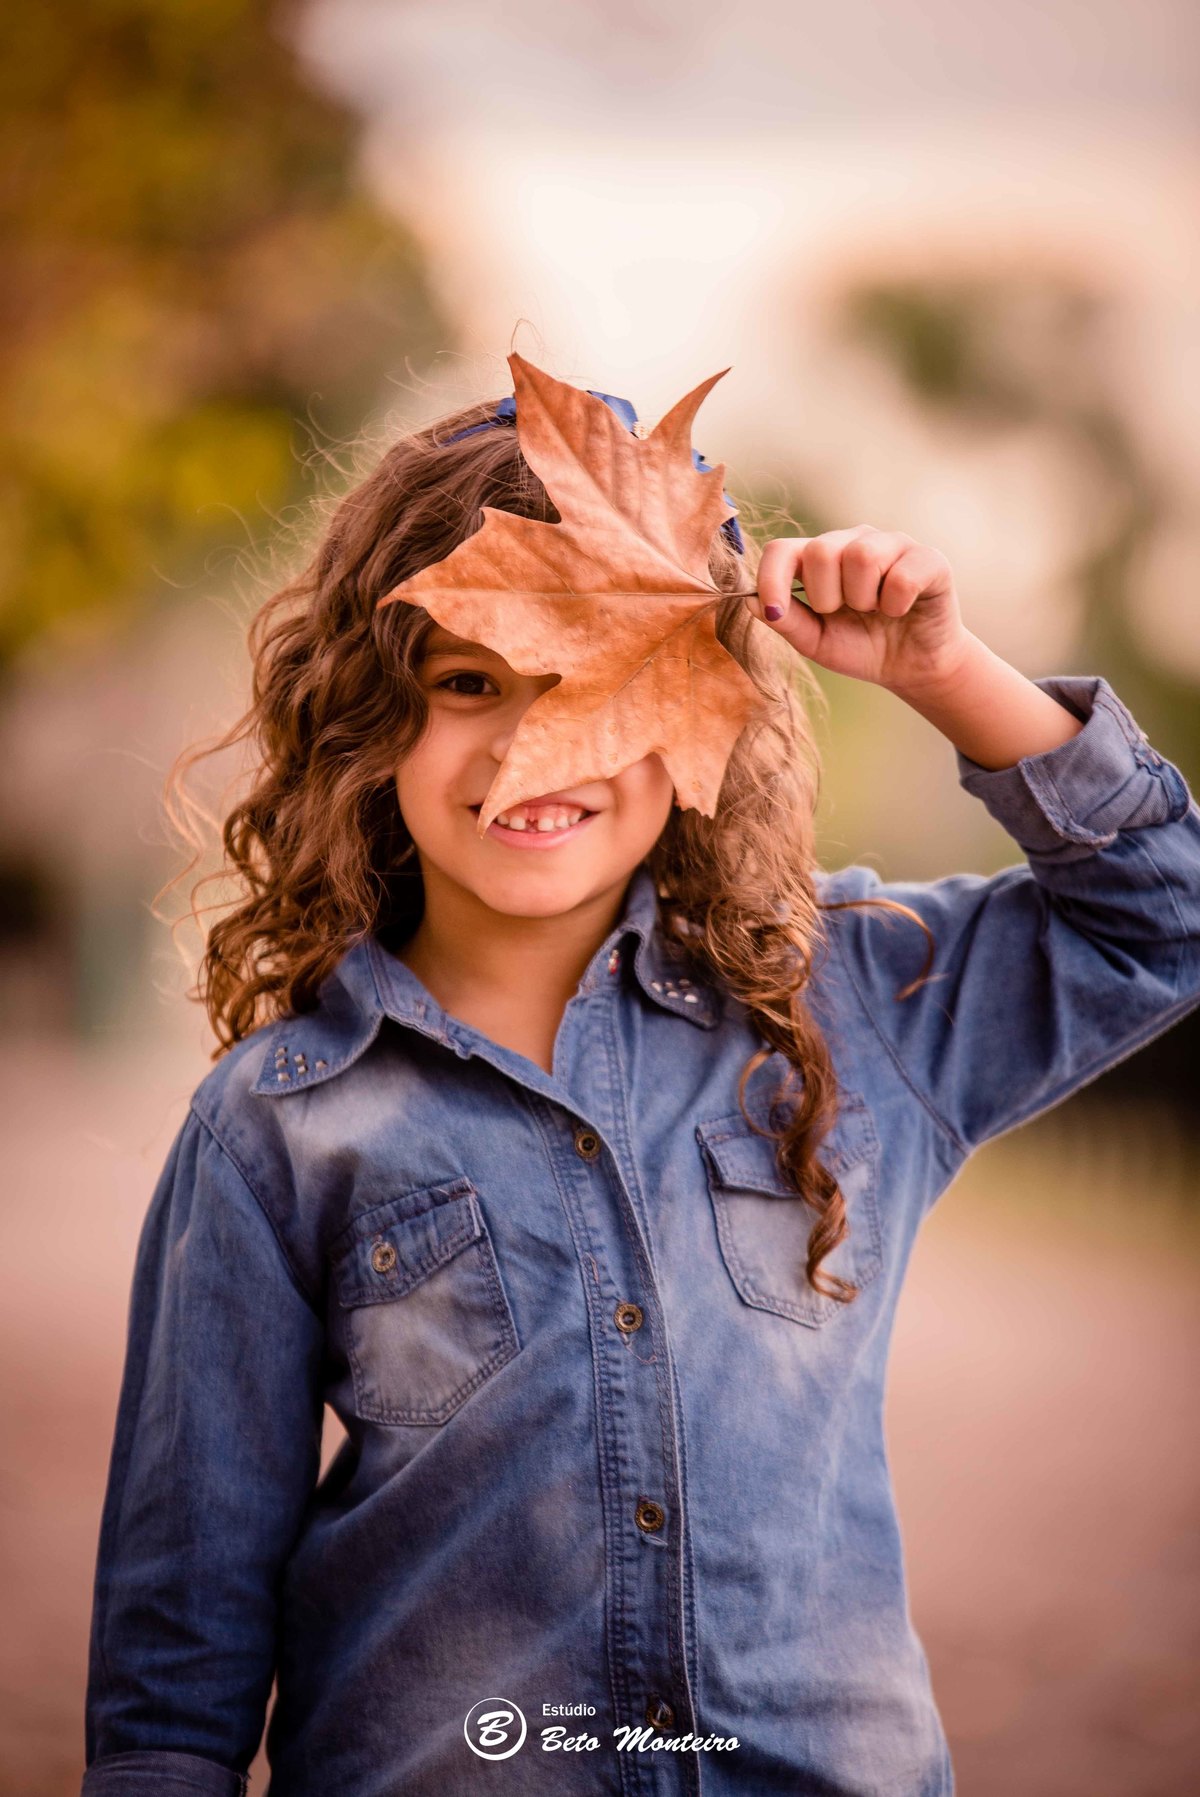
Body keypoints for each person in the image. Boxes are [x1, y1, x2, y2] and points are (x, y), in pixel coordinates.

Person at [80, 373, 1200, 1797]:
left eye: (596, 684)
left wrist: (943, 672)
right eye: (467, 684)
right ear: (370, 722)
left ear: (702, 709)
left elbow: (1164, 919)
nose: (530, 747)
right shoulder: (277, 1121)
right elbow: (177, 1654)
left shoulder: (855, 1002)